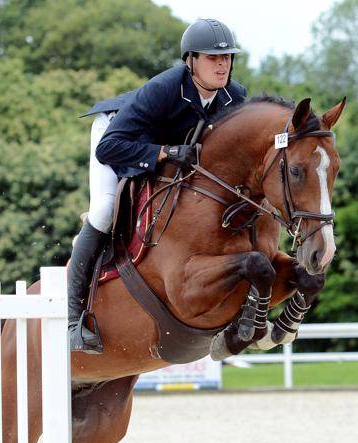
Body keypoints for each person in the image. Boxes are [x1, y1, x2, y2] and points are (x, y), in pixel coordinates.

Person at [69, 18, 248, 353]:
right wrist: (165, 152)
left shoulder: (233, 96)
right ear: (190, 60)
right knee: (104, 210)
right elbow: (109, 147)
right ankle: (72, 320)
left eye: (226, 57)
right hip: (118, 137)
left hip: (169, 156)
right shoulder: (165, 88)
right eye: (212, 57)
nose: (222, 64)